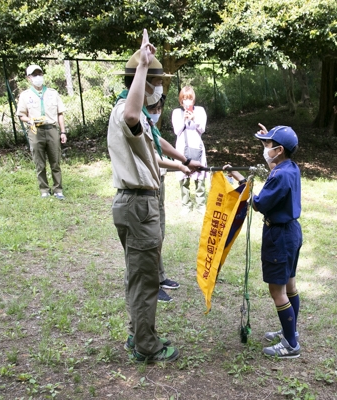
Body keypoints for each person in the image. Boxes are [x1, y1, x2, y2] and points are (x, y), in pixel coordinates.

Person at [108, 29, 201, 363]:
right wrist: (144, 64)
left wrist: (182, 164)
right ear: (142, 81)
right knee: (147, 280)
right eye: (154, 81)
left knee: (137, 276)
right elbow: (134, 117)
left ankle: (137, 336)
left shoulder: (136, 115)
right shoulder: (126, 111)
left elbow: (150, 152)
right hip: (138, 206)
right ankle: (147, 345)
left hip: (133, 204)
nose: (158, 88)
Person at [226, 124, 302, 359]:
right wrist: (267, 139)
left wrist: (239, 179)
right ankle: (291, 331)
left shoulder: (279, 175)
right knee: (289, 286)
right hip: (291, 233)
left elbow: (257, 204)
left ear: (278, 150)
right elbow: (272, 168)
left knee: (276, 291)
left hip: (279, 236)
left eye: (268, 145)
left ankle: (290, 345)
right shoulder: (290, 167)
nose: (264, 149)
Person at [16, 64, 67, 199]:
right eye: (34, 75)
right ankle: (44, 189)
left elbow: (60, 113)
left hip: (52, 129)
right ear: (29, 78)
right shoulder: (25, 96)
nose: (38, 77)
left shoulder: (52, 93)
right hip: (35, 131)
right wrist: (30, 120)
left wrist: (63, 132)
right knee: (39, 162)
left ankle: (58, 189)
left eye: (40, 74)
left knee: (55, 161)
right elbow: (21, 115)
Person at [172, 86, 208, 214]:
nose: (187, 101)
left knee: (200, 175)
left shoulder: (200, 111)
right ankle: (186, 205)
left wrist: (194, 118)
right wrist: (184, 119)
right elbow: (177, 131)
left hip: (197, 146)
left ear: (193, 100)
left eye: (190, 98)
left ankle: (200, 204)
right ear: (181, 101)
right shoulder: (177, 112)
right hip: (182, 147)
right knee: (183, 175)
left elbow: (202, 129)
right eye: (184, 99)